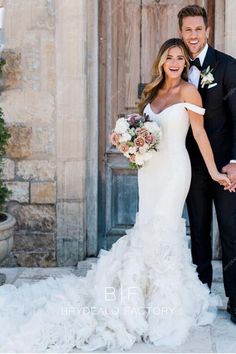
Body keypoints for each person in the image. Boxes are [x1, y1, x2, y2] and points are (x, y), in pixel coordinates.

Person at [0, 39, 230, 353]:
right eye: (169, 57)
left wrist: (216, 172)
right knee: (146, 228)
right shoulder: (153, 93)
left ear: (185, 63)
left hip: (176, 171)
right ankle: (140, 297)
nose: (175, 62)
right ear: (161, 61)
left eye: (180, 58)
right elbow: (145, 132)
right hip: (149, 172)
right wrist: (127, 141)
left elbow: (200, 133)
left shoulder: (189, 91)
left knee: (164, 230)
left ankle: (164, 305)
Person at [178, 4, 236, 325]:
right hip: (191, 169)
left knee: (231, 232)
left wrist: (235, 162)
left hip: (226, 167)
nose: (193, 35)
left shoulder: (227, 67)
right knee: (198, 233)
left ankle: (235, 299)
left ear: (207, 31)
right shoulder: (175, 67)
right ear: (181, 33)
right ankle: (200, 297)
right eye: (188, 30)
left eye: (198, 29)